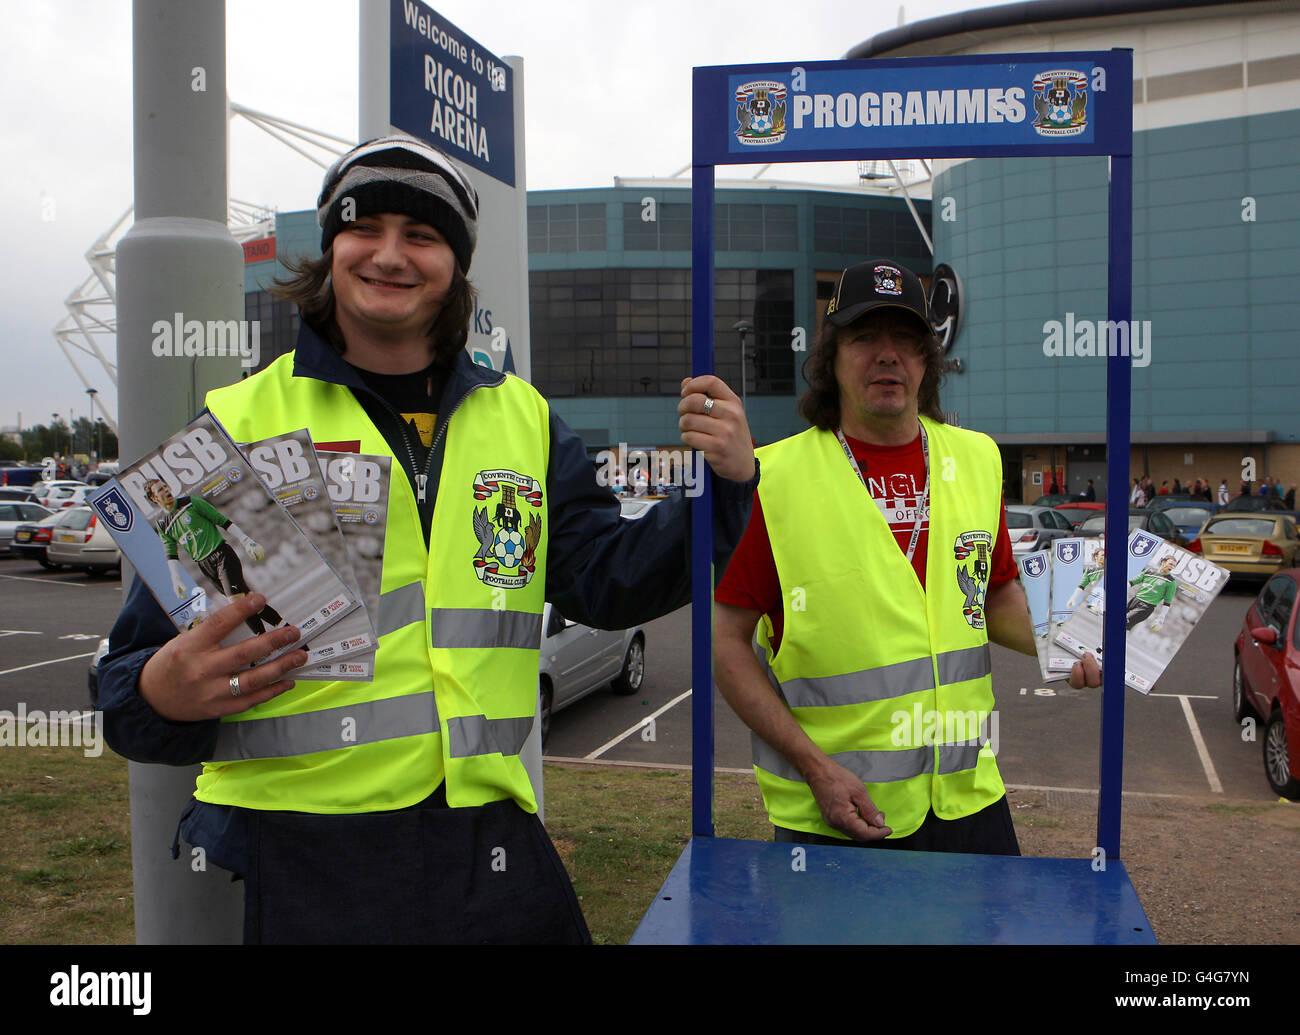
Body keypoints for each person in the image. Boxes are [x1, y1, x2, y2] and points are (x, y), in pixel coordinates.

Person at [97, 134, 758, 944]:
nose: (389, 254)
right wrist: (160, 690)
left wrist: (721, 489)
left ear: (455, 264)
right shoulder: (239, 425)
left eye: (421, 235)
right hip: (312, 860)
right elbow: (128, 686)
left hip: (490, 841)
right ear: (329, 247)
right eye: (363, 227)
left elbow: (607, 580)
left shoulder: (525, 417)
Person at [713, 259, 1100, 856]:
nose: (887, 355)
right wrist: (816, 769)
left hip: (968, 799)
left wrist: (1069, 638)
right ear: (831, 359)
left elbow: (991, 596)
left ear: (927, 359)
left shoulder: (976, 458)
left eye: (906, 339)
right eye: (865, 337)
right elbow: (727, 643)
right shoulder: (773, 477)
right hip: (839, 811)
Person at [143, 478, 282, 636]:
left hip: (222, 554)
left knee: (236, 603)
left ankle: (262, 639)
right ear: (154, 498)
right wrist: (176, 579)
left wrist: (246, 540)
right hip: (205, 566)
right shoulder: (162, 523)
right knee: (246, 599)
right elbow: (171, 552)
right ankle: (282, 625)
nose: (166, 490)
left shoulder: (191, 502)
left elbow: (223, 521)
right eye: (160, 490)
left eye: (165, 486)